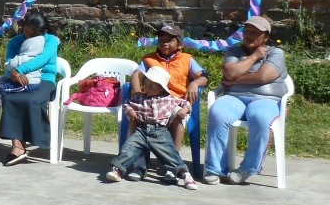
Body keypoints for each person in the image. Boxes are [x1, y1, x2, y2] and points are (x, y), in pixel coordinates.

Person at [204, 15, 289, 185]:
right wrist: (255, 57)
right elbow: (230, 72)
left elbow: (264, 76)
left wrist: (235, 80)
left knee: (260, 117)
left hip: (266, 99)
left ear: (266, 37)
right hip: (234, 97)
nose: (249, 35)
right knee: (218, 112)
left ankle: (248, 168)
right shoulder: (234, 51)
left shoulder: (276, 53)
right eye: (247, 31)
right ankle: (215, 168)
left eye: (255, 33)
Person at [124, 24, 208, 180]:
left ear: (180, 44)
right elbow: (136, 75)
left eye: (169, 40)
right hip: (151, 101)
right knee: (136, 117)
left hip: (174, 102)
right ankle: (139, 163)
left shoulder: (187, 59)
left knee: (178, 117)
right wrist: (138, 94)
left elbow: (203, 76)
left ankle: (172, 164)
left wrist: (194, 84)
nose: (164, 43)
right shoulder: (149, 59)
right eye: (161, 39)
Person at [105, 66, 197, 189]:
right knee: (129, 148)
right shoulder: (140, 97)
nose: (147, 87)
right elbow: (127, 103)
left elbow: (186, 103)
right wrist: (130, 111)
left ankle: (185, 174)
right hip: (141, 130)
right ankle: (118, 170)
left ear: (161, 87)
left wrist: (184, 110)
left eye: (152, 85)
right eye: (146, 84)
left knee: (169, 153)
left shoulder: (168, 99)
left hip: (159, 131)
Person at [0, 11, 61, 165]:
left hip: (45, 81)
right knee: (10, 98)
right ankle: (18, 146)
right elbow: (10, 64)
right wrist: (15, 75)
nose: (29, 36)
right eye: (26, 31)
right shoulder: (15, 42)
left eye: (34, 34)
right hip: (19, 80)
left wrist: (20, 70)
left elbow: (43, 59)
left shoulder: (50, 40)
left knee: (31, 99)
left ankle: (30, 142)